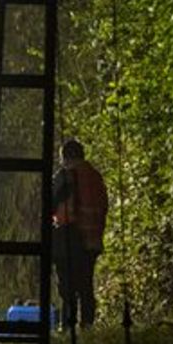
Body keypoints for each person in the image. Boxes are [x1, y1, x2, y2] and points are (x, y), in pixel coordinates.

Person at [52, 139, 108, 328]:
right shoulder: (95, 177)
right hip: (92, 240)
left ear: (65, 157)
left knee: (67, 288)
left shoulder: (65, 176)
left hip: (69, 238)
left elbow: (51, 202)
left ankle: (68, 327)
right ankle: (87, 325)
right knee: (86, 285)